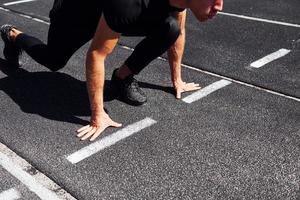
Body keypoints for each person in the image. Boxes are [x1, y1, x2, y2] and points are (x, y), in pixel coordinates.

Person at [1, 0, 223, 141]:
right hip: (76, 14)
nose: (219, 5)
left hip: (110, 12)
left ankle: (122, 78)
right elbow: (96, 54)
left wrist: (178, 79)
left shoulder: (179, 2)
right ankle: (12, 34)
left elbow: (179, 32)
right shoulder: (128, 5)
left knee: (170, 28)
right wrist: (97, 115)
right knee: (53, 60)